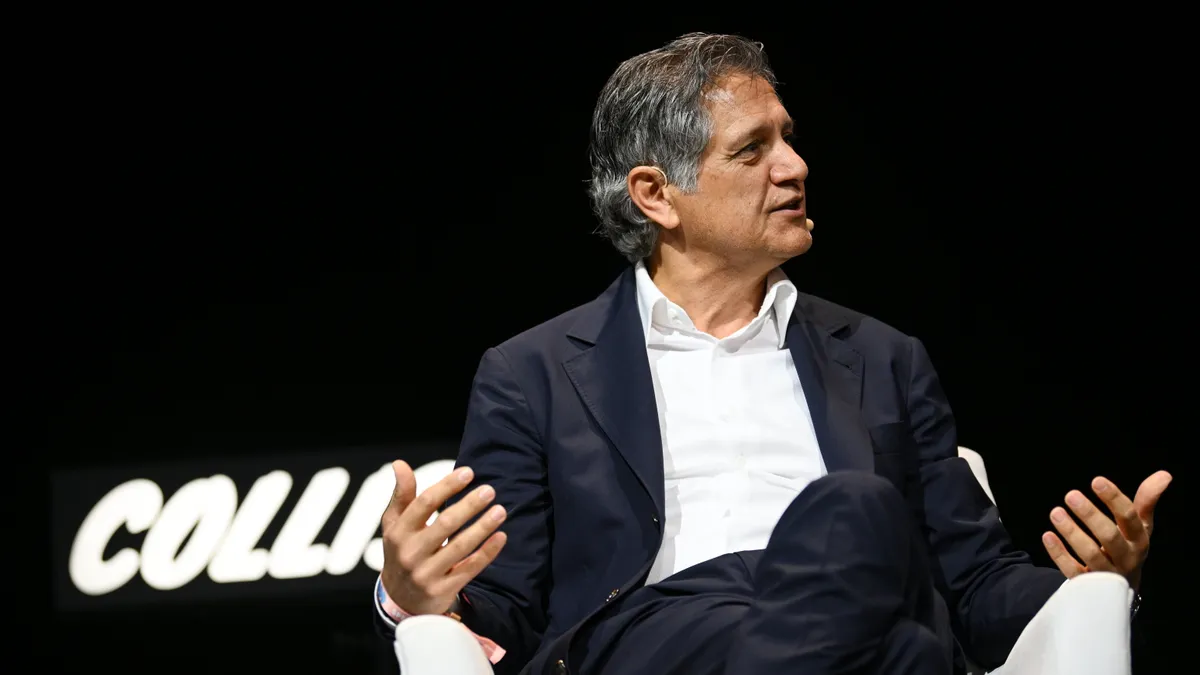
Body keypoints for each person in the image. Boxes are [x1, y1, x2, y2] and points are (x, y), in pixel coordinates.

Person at [372, 33, 1171, 675]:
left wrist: (1093, 584)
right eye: (753, 149)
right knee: (882, 593)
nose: (795, 167)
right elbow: (506, 600)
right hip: (660, 632)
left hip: (871, 614)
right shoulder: (534, 374)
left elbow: (975, 577)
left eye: (789, 139)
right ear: (657, 195)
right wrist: (411, 595)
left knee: (862, 541)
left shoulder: (886, 358)